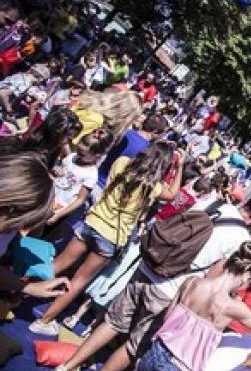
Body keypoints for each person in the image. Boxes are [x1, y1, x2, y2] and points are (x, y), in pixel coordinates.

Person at [59, 194, 251, 371]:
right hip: (171, 288)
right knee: (133, 346)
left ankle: (68, 365)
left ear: (246, 201)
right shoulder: (239, 239)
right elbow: (212, 278)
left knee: (113, 323)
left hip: (148, 266)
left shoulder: (213, 202)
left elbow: (177, 222)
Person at [30, 141, 185, 336]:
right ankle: (43, 321)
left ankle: (19, 290)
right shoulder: (152, 187)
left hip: (92, 222)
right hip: (111, 237)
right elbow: (172, 194)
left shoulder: (122, 163)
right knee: (79, 280)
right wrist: (180, 166)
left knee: (57, 264)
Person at [136, 243, 251, 371]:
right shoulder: (232, 306)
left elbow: (167, 317)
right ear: (246, 277)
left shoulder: (192, 282)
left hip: (156, 351)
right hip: (179, 366)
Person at [0, 152, 71, 298]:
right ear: (9, 209)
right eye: (22, 221)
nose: (20, 228)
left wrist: (29, 287)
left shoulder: (8, 231)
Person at [45, 128, 114, 235]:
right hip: (45, 199)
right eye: (83, 143)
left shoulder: (91, 174)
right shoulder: (72, 157)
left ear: (98, 155)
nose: (81, 147)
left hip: (56, 210)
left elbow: (80, 200)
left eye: (86, 149)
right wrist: (54, 171)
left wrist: (58, 215)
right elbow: (58, 173)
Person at [94, 112, 166, 199]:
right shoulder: (148, 151)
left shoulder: (125, 133)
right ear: (155, 132)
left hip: (96, 177)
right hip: (108, 191)